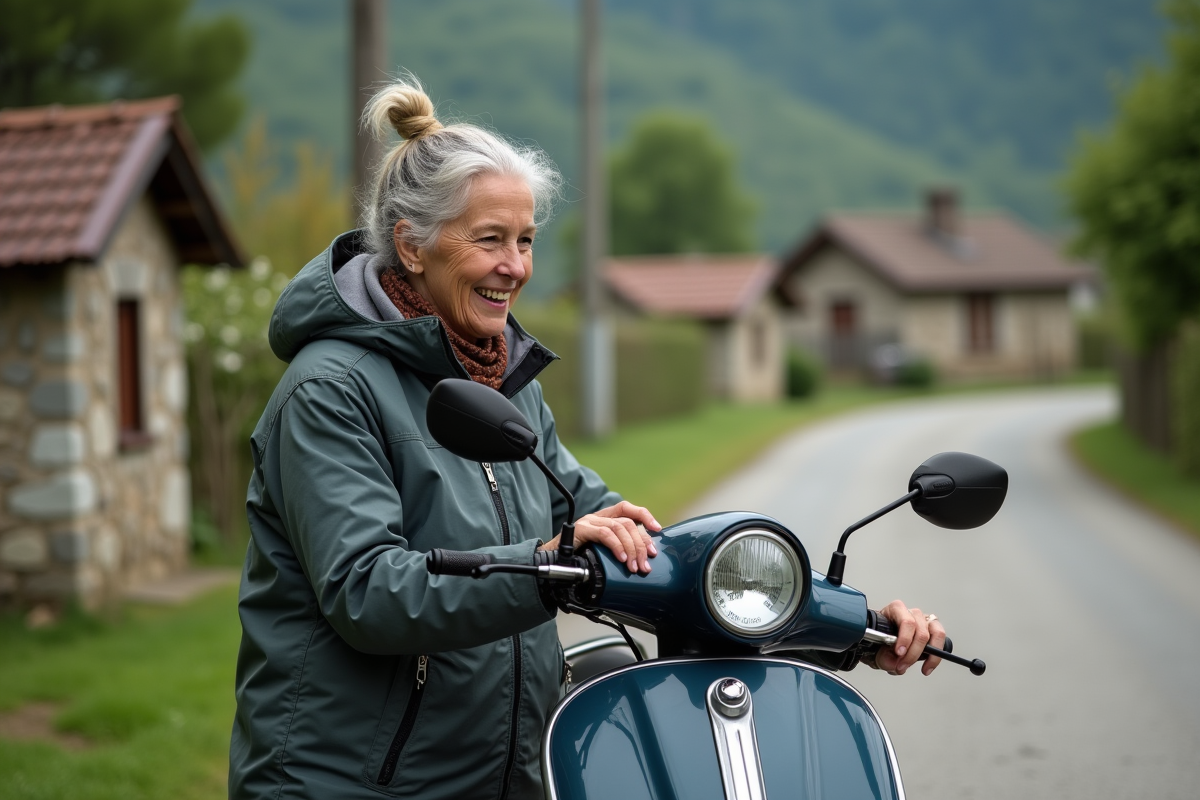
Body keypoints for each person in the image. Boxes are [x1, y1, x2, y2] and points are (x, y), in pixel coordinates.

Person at [227, 74, 946, 800]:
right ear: (412, 247)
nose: (515, 266)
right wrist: (548, 564)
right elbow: (367, 591)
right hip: (351, 782)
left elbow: (619, 536)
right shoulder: (331, 388)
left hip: (502, 773)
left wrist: (854, 628)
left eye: (527, 240)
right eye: (490, 240)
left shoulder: (502, 378)